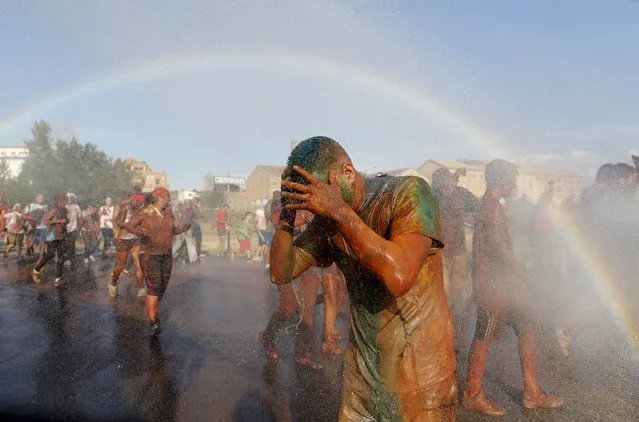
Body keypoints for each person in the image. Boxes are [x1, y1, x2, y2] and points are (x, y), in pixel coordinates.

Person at [270, 136, 457, 420]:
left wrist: (339, 211)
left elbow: (399, 276)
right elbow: (281, 271)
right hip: (362, 378)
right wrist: (287, 213)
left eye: (322, 193)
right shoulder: (328, 219)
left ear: (348, 172)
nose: (318, 206)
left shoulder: (409, 192)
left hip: (420, 378)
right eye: (311, 199)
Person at [463, 160, 563, 417]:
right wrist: (528, 278)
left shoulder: (493, 206)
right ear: (502, 180)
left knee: (528, 325)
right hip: (494, 286)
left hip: (505, 285)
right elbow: (500, 250)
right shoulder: (491, 207)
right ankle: (472, 394)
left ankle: (532, 392)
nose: (515, 184)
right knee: (484, 335)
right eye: (513, 179)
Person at [124, 187, 190, 336]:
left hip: (166, 255)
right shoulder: (145, 213)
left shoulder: (168, 214)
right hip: (149, 255)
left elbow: (172, 231)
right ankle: (154, 322)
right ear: (159, 197)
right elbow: (129, 226)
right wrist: (141, 234)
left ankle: (151, 308)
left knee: (162, 287)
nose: (170, 200)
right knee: (154, 288)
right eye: (167, 197)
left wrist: (182, 229)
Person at [431, 167, 480, 355]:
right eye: (440, 183)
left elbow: (478, 211)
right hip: (439, 253)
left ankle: (455, 339)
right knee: (443, 298)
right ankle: (443, 338)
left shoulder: (462, 195)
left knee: (457, 301)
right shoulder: (434, 196)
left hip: (459, 254)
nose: (444, 186)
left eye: (446, 182)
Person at [110, 193, 147, 298]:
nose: (140, 205)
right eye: (139, 202)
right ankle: (113, 283)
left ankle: (141, 289)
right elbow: (118, 222)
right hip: (123, 239)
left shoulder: (141, 210)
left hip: (136, 239)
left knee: (139, 264)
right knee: (121, 265)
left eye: (142, 203)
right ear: (134, 201)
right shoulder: (124, 208)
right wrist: (123, 228)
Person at [33, 193, 69, 287]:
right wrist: (59, 221)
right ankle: (36, 269)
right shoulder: (54, 210)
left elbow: (64, 221)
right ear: (59, 201)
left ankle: (58, 279)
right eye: (65, 201)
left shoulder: (65, 210)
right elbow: (45, 221)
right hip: (52, 235)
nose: (66, 202)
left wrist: (66, 222)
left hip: (62, 235)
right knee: (50, 254)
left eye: (66, 201)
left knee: (61, 257)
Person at [25, 194, 48, 260]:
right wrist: (33, 220)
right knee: (31, 243)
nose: (40, 200)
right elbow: (27, 215)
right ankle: (27, 252)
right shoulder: (31, 205)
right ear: (36, 198)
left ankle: (40, 260)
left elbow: (45, 216)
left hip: (43, 227)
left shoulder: (45, 206)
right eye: (39, 199)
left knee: (42, 244)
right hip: (34, 227)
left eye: (42, 199)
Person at [65, 193, 82, 266]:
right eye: (68, 198)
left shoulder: (76, 206)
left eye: (71, 198)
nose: (69, 199)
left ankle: (70, 259)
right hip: (65, 228)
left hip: (74, 227)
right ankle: (70, 257)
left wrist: (78, 227)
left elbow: (80, 217)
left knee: (71, 243)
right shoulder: (64, 206)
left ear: (73, 199)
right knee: (66, 243)